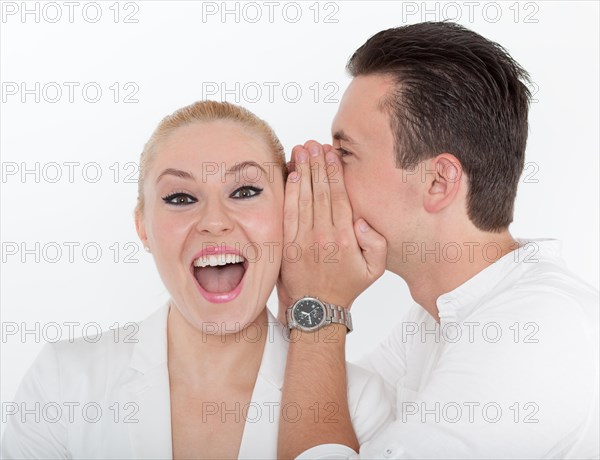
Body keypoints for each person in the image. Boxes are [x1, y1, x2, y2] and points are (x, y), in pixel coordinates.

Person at [277, 21, 599, 459]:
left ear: (437, 181)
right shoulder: (434, 317)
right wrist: (298, 289)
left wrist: (317, 307)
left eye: (345, 153)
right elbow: (318, 407)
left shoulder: (534, 331)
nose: (320, 171)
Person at [1, 101, 393, 459]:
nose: (214, 222)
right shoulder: (64, 381)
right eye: (181, 198)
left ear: (288, 215)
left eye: (245, 190)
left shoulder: (360, 404)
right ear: (143, 228)